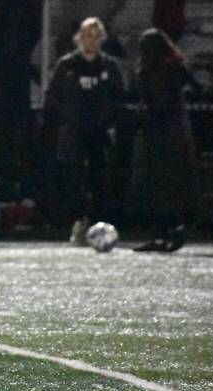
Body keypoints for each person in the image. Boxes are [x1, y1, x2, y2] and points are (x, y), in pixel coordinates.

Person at [43, 17, 125, 243]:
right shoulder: (67, 65)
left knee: (99, 179)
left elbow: (120, 98)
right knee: (72, 178)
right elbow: (52, 96)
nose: (92, 39)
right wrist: (66, 118)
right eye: (88, 34)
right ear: (79, 37)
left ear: (102, 39)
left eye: (96, 34)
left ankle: (99, 224)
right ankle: (79, 220)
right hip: (74, 132)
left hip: (99, 132)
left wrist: (109, 121)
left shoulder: (109, 66)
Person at [130, 29, 202, 253]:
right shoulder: (174, 66)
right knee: (171, 187)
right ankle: (173, 230)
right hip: (176, 134)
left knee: (157, 187)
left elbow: (157, 104)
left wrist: (139, 118)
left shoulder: (152, 71)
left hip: (159, 136)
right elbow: (196, 89)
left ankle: (162, 234)